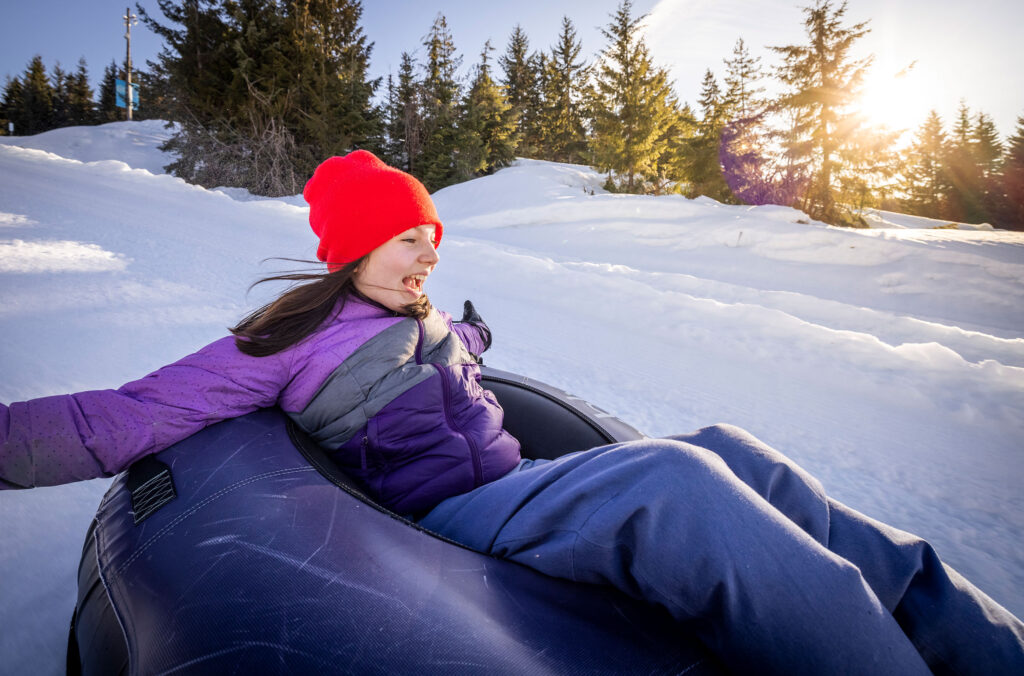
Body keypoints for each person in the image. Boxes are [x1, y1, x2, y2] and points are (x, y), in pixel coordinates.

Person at [1, 150, 1021, 675]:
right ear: (354, 246)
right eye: (408, 238)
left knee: (727, 447)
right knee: (673, 484)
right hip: (447, 516)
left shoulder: (416, 310)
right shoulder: (284, 341)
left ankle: (979, 644)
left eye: (431, 236)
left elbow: (449, 367)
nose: (428, 252)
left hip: (515, 485)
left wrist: (469, 339)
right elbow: (124, 414)